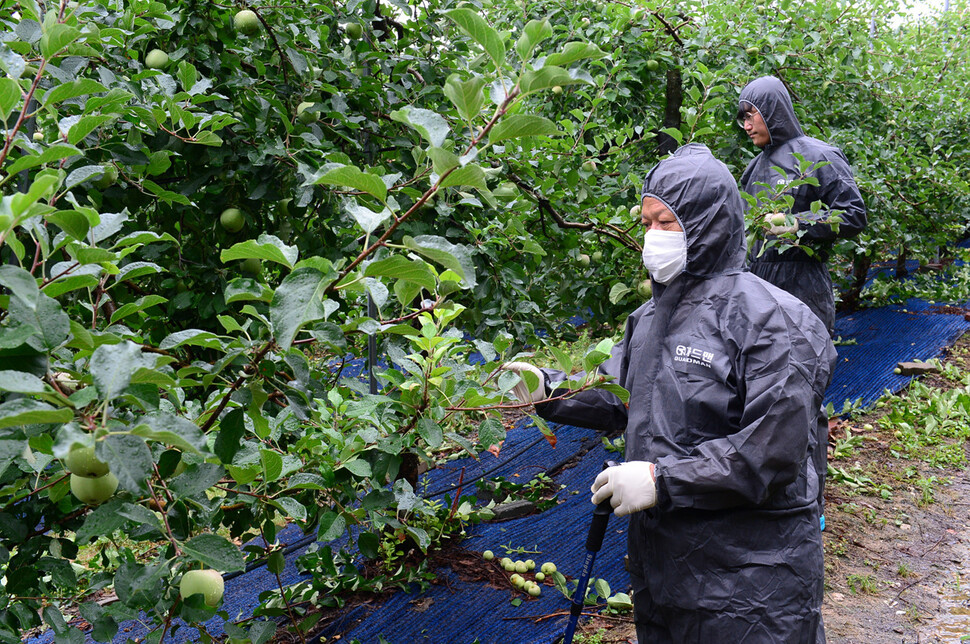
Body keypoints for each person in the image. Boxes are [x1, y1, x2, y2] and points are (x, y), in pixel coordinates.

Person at [502, 144, 836, 643]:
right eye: (646, 223)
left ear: (709, 224)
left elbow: (772, 452)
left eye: (667, 223)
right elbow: (618, 393)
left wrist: (663, 479)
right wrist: (546, 389)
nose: (652, 237)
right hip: (665, 564)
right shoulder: (651, 319)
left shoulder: (774, 321)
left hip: (753, 575)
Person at [737, 75, 868, 336]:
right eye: (743, 120)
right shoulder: (753, 168)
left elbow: (854, 215)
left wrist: (799, 223)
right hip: (756, 288)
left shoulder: (818, 156)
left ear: (773, 112)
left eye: (752, 116)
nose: (747, 126)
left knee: (803, 363)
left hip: (802, 285)